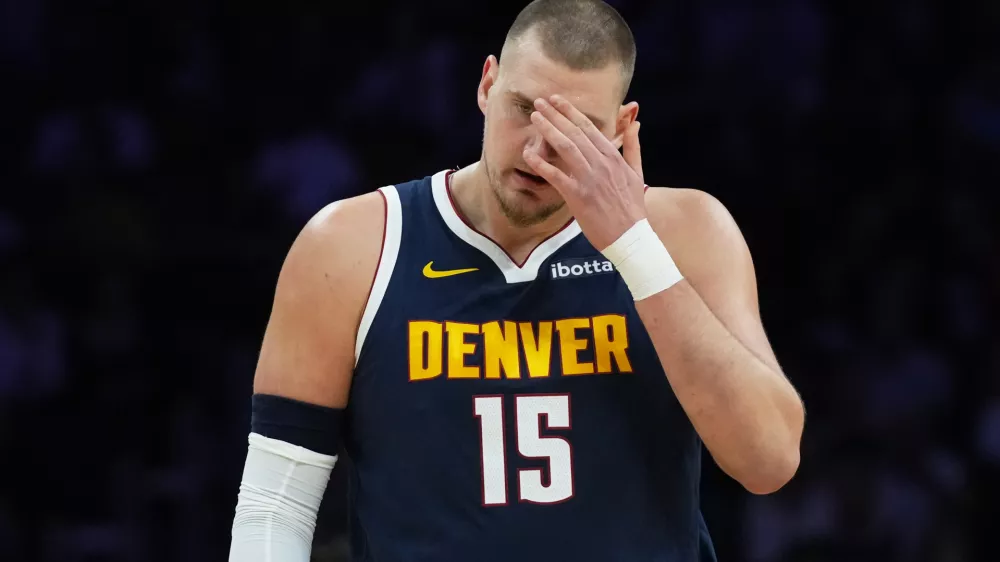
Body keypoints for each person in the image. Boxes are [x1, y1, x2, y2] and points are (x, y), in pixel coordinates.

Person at [229, 0, 805, 560]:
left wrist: (634, 248)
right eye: (524, 108)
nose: (537, 151)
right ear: (487, 84)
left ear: (622, 127)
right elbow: (274, 507)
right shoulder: (352, 245)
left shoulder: (685, 233)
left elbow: (769, 461)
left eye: (574, 128)